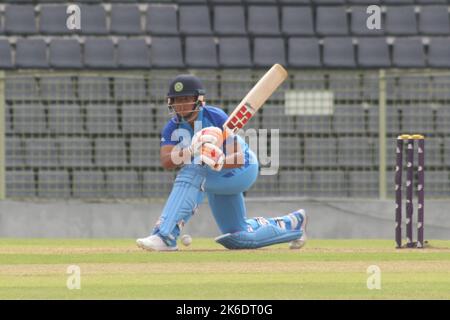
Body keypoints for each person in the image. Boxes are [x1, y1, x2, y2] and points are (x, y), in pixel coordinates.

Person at [136, 74, 307, 251]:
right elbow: (166, 161)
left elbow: (238, 158)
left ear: (198, 100)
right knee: (239, 236)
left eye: (186, 99)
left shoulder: (214, 116)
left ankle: (165, 236)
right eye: (176, 100)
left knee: (192, 171)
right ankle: (294, 223)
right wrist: (190, 151)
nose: (181, 105)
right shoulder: (172, 126)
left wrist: (217, 159)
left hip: (242, 169)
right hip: (213, 176)